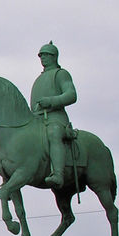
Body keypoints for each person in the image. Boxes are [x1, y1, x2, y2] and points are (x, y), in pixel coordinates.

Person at [30, 41, 77, 189]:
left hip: (55, 117)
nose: (43, 58)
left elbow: (71, 95)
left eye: (46, 55)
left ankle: (58, 174)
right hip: (37, 119)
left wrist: (51, 101)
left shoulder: (61, 74)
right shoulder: (38, 79)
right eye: (41, 55)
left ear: (54, 56)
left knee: (53, 133)